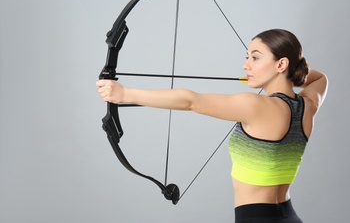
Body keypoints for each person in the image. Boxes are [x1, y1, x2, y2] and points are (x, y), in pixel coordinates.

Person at [96, 29, 328, 223]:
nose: (246, 65)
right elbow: (320, 78)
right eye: (247, 56)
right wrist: (288, 74)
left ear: (281, 64)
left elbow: (190, 101)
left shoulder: (256, 106)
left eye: (255, 58)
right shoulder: (308, 106)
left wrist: (125, 94)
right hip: (290, 216)